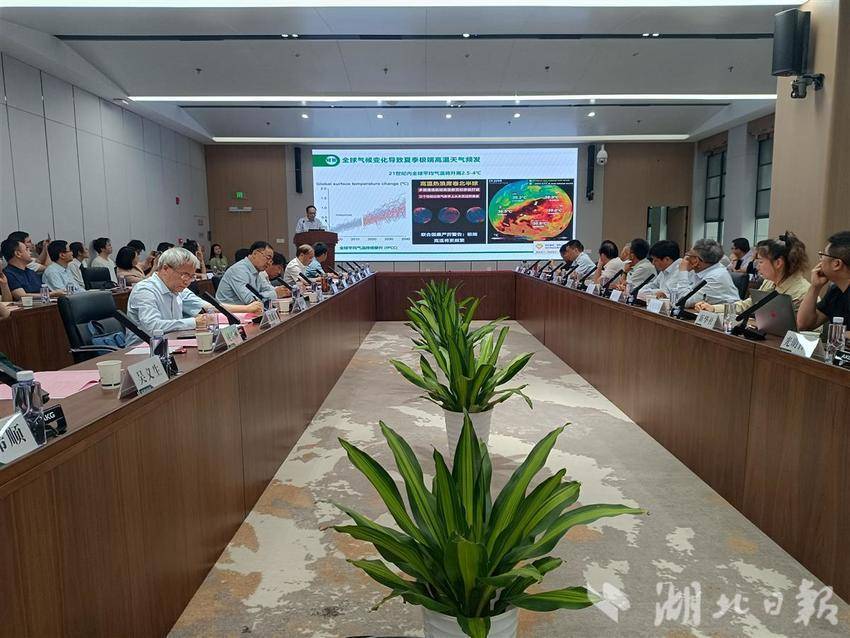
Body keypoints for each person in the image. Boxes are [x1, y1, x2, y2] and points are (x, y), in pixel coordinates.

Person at [696, 232, 810, 314]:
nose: (757, 266)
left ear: (778, 263)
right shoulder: (770, 283)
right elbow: (747, 305)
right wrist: (714, 308)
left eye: (760, 261)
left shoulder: (802, 293)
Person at [125, 248, 213, 347]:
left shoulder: (178, 287)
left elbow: (205, 307)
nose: (187, 281)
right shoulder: (145, 290)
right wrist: (194, 322)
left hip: (172, 343)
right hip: (142, 349)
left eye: (191, 276)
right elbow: (153, 327)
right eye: (185, 275)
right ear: (165, 269)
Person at [797, 230, 850, 330]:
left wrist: (840, 335)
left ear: (837, 264)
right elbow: (803, 324)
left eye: (823, 255)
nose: (820, 260)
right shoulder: (836, 291)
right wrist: (815, 287)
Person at [215, 240, 287, 305]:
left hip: (246, 311)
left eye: (271, 261)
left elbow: (267, 288)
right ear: (255, 253)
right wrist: (275, 293)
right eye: (268, 258)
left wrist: (284, 290)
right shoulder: (239, 270)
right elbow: (250, 300)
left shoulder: (256, 271)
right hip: (229, 312)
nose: (269, 263)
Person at [679, 238, 741, 308]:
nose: (686, 258)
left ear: (696, 260)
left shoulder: (715, 277)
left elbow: (684, 301)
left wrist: (683, 272)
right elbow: (674, 295)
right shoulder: (700, 269)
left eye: (689, 255)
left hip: (725, 314)